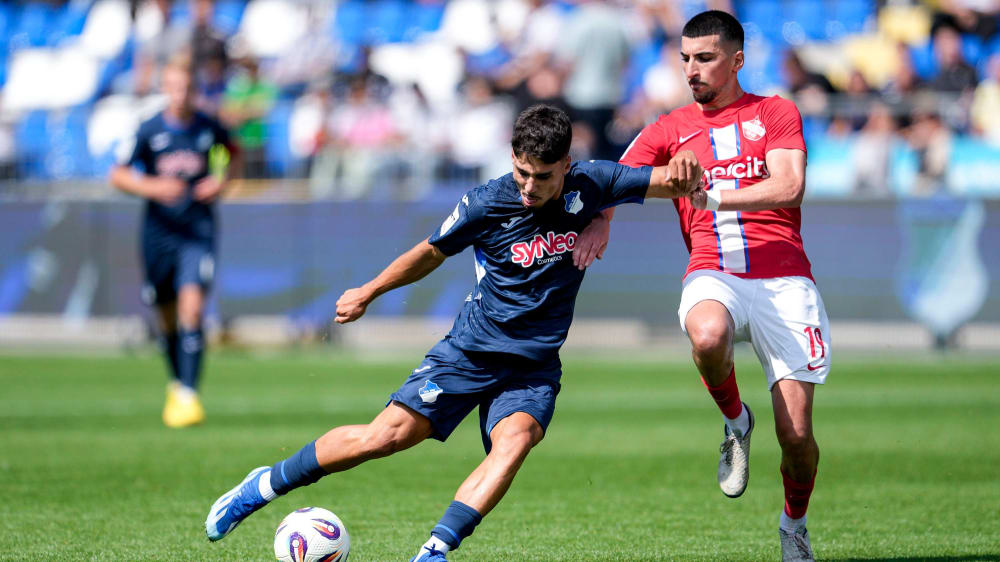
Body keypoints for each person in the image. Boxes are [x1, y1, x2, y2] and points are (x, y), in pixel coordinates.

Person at [203, 104, 702, 561]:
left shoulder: (594, 182)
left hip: (532, 367)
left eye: (543, 176)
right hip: (469, 353)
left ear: (567, 165)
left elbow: (671, 181)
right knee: (383, 438)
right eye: (522, 172)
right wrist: (369, 291)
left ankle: (435, 550)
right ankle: (262, 486)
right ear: (512, 159)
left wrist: (680, 172)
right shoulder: (486, 203)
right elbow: (429, 252)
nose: (529, 186)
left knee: (515, 443)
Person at [574, 11, 828, 562]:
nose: (692, 69)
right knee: (708, 334)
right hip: (713, 269)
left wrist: (709, 195)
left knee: (797, 439)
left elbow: (790, 185)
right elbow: (616, 178)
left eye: (706, 58)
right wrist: (601, 220)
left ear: (737, 61)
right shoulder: (669, 128)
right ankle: (736, 421)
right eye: (685, 58)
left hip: (784, 277)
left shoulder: (774, 112)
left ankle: (794, 523)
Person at [109, 56, 239, 428]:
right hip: (158, 233)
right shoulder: (148, 129)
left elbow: (235, 155)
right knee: (165, 314)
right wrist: (153, 187)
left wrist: (221, 181)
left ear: (195, 90)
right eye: (175, 87)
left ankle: (188, 395)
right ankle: (177, 381)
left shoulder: (209, 126)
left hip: (197, 231)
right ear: (165, 89)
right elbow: (118, 174)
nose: (181, 95)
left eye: (187, 88)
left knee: (192, 310)